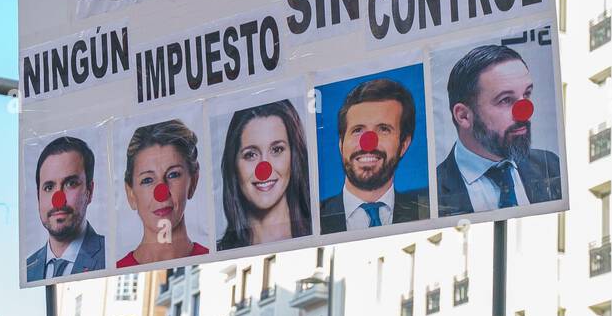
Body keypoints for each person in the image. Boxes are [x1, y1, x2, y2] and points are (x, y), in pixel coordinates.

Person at [437, 45, 561, 216]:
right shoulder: (433, 193)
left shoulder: (551, 166)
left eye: (526, 94)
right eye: (505, 100)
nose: (524, 112)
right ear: (464, 115)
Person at [319, 78, 430, 234]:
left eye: (383, 129)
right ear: (341, 143)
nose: (368, 143)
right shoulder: (312, 218)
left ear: (404, 144)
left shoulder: (428, 211)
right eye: (357, 130)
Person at [218, 101, 312, 251]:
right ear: (234, 165)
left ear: (294, 157)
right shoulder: (220, 251)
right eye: (250, 154)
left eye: (276, 150)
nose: (264, 169)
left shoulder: (324, 230)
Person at [117, 120, 208, 267]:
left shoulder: (212, 258)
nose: (161, 193)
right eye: (147, 180)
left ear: (193, 181)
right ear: (131, 193)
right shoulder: (117, 270)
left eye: (173, 175)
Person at [26, 136, 106, 282]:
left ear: (89, 191)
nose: (59, 199)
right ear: (38, 196)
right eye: (49, 187)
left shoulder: (109, 257)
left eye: (71, 184)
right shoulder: (27, 269)